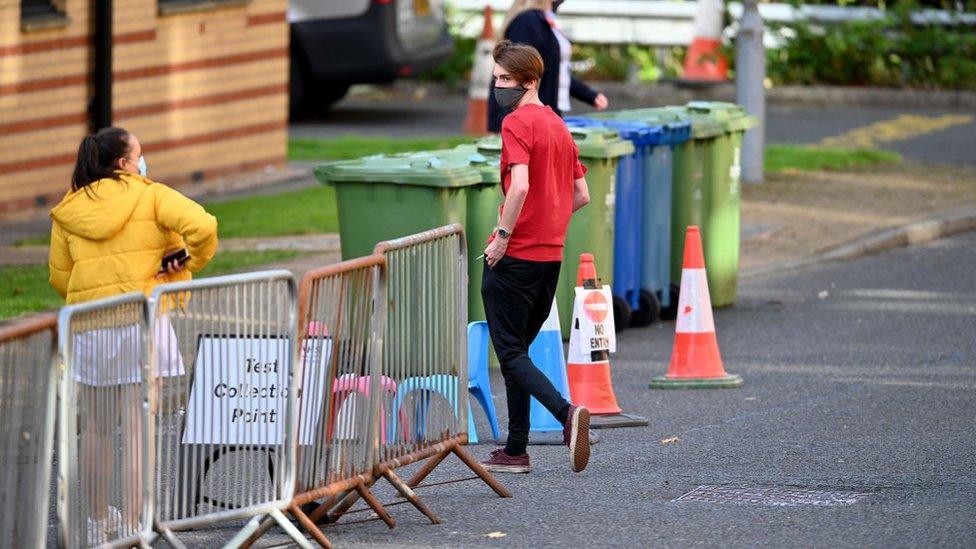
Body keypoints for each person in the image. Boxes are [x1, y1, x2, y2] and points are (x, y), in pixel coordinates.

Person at [49, 127, 218, 543]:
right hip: (143, 320)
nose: (144, 162)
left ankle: (98, 518)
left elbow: (60, 277)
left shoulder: (68, 210)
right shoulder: (151, 194)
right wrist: (187, 259)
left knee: (98, 428)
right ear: (124, 164)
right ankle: (134, 523)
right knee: (140, 423)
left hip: (92, 324)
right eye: (139, 154)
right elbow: (203, 225)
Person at [480, 40, 592, 475]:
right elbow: (580, 194)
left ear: (530, 80)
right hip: (550, 261)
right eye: (496, 79)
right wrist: (549, 220)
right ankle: (515, 450)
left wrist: (503, 236)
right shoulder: (558, 126)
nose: (499, 87)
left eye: (506, 80)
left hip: (516, 258)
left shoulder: (516, 123)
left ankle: (567, 416)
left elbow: (521, 185)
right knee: (518, 354)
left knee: (509, 353)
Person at [487, 0, 609, 133]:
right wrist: (510, 122)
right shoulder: (528, 22)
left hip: (542, 116)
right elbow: (515, 71)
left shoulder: (544, 20)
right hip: (527, 121)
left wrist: (589, 95)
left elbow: (554, 71)